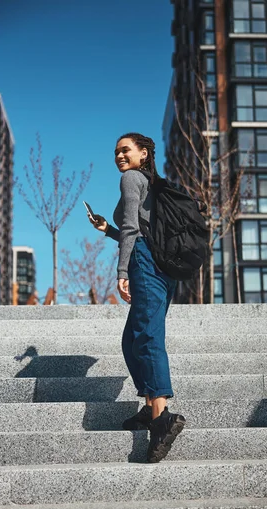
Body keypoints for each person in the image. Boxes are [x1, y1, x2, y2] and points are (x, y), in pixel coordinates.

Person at [89, 132, 185, 463]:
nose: (119, 155)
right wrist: (107, 230)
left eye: (125, 150)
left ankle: (162, 418)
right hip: (163, 265)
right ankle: (149, 407)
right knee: (132, 339)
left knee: (146, 338)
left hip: (145, 262)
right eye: (115, 151)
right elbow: (137, 229)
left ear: (143, 153)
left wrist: (122, 272)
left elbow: (132, 229)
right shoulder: (151, 182)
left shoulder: (132, 177)